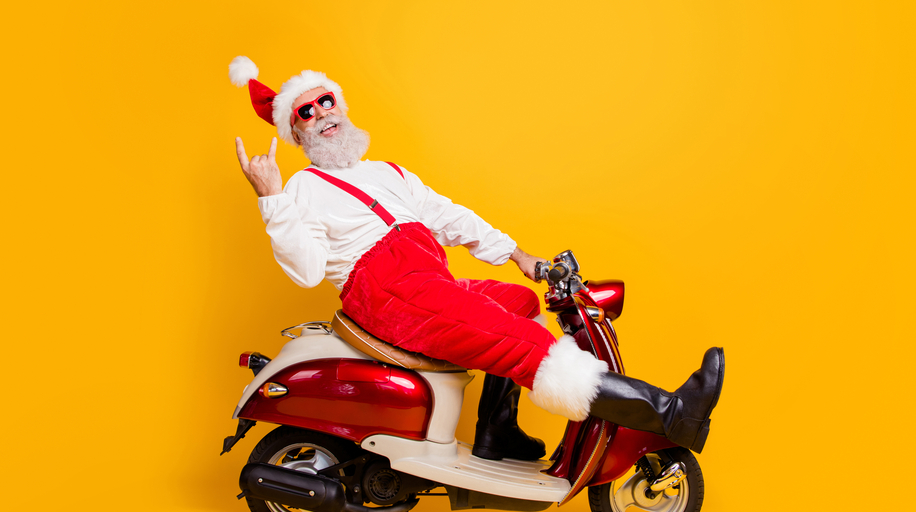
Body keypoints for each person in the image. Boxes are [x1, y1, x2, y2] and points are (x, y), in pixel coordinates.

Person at [228, 56, 725, 458]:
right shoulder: (301, 188)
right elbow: (308, 269)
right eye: (306, 113)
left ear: (341, 104)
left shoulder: (386, 172)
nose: (322, 114)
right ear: (297, 133)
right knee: (524, 342)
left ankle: (496, 433)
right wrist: (271, 197)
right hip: (387, 292)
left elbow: (448, 215)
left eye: (325, 100)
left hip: (426, 279)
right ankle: (671, 413)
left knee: (518, 303)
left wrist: (518, 256)